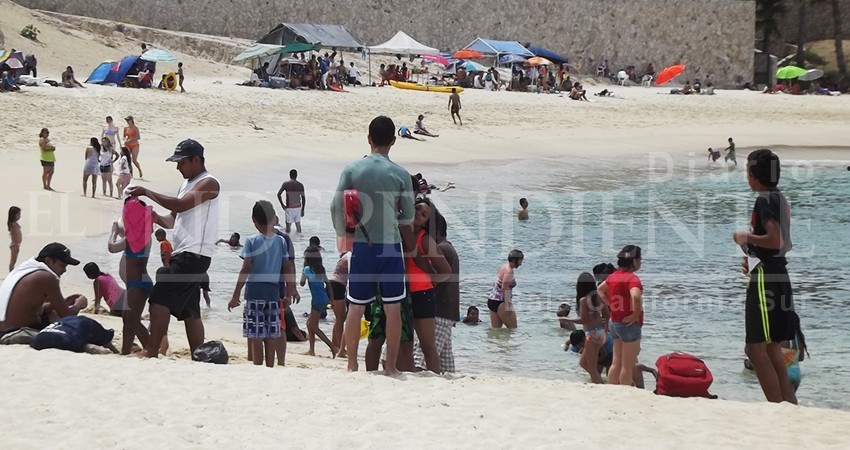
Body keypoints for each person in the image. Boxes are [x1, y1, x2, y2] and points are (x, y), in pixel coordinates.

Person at [330, 115, 415, 375]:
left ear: (368, 139)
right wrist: (391, 216)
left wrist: (345, 234)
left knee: (355, 306)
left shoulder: (352, 170)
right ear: (393, 141)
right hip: (390, 246)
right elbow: (409, 217)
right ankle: (390, 367)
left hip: (362, 245)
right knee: (392, 308)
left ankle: (352, 364)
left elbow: (335, 207)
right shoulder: (401, 174)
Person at [128, 138, 220, 357]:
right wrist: (154, 216)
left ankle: (151, 350)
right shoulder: (186, 185)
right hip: (188, 253)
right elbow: (172, 219)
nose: (178, 167)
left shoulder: (209, 183)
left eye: (181, 162)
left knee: (159, 297)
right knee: (191, 310)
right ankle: (199, 354)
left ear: (196, 159)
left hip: (193, 254)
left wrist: (147, 192)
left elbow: (180, 205)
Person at [732, 148, 804, 404]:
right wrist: (753, 256)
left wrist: (746, 237)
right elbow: (787, 244)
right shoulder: (780, 198)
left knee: (755, 347)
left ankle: (776, 406)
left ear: (752, 175)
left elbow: (776, 240)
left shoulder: (764, 199)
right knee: (773, 345)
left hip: (765, 279)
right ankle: (787, 405)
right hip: (777, 274)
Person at [228, 200, 287, 367]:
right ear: (272, 218)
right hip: (273, 293)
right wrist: (289, 292)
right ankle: (269, 365)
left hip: (254, 292)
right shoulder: (280, 241)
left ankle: (258, 366)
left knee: (256, 334)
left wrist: (235, 295)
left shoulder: (251, 241)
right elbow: (286, 267)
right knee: (270, 334)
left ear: (254, 220)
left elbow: (245, 268)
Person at [406, 198, 451, 374]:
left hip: (422, 294)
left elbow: (446, 271)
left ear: (427, 221)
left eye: (423, 214)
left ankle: (436, 378)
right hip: (405, 293)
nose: (418, 214)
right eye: (417, 209)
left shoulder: (424, 239)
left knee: (428, 345)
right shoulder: (403, 232)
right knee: (407, 342)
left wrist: (433, 281)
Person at [0, 243, 88, 330]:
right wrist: (78, 305)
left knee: (52, 313)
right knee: (81, 324)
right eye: (62, 265)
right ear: (48, 261)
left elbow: (28, 308)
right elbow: (67, 316)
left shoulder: (24, 269)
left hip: (4, 327)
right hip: (16, 331)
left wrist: (60, 304)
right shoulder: (46, 277)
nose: (64, 270)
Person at [415, 211, 460, 372]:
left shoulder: (440, 249)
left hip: (438, 310)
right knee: (445, 365)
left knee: (421, 360)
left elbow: (432, 278)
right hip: (449, 311)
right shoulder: (450, 248)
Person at [598, 245, 644, 387]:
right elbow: (635, 296)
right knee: (627, 365)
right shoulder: (632, 279)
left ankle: (612, 388)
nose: (641, 261)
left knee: (616, 362)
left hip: (615, 322)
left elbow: (599, 290)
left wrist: (611, 304)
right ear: (634, 261)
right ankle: (624, 391)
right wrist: (635, 313)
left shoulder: (613, 276)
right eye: (640, 259)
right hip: (629, 324)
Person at [107, 220, 155, 355]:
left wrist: (114, 232)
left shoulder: (135, 236)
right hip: (135, 283)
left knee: (133, 319)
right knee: (127, 317)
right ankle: (125, 350)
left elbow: (112, 247)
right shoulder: (141, 235)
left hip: (138, 283)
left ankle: (151, 350)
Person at [299, 246, 337, 356]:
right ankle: (311, 350)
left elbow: (302, 283)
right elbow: (328, 284)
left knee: (314, 327)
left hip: (316, 300)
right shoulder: (321, 269)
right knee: (309, 324)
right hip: (324, 298)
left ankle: (333, 347)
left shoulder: (307, 269)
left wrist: (303, 270)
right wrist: (332, 300)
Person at [488, 249, 524, 329]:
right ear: (514, 260)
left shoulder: (503, 267)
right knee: (513, 329)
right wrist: (507, 306)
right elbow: (504, 288)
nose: (520, 264)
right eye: (520, 261)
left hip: (492, 300)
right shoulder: (509, 271)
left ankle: (492, 342)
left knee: (496, 331)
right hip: (501, 302)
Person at [328, 251, 351, 357]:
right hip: (336, 286)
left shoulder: (346, 257)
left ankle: (334, 345)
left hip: (336, 286)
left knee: (339, 318)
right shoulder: (349, 257)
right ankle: (340, 349)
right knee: (340, 319)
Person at [277, 169, 306, 233]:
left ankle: (288, 240)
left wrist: (282, 205)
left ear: (289, 175)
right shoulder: (300, 185)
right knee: (298, 225)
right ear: (296, 175)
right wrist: (303, 210)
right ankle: (300, 241)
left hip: (289, 207)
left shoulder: (286, 184)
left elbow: (278, 194)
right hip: (298, 207)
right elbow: (303, 198)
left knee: (288, 227)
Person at [7, 206, 22, 272]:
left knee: (14, 261)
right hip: (14, 245)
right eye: (18, 214)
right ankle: (11, 273)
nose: (19, 216)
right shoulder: (13, 224)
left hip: (16, 244)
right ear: (14, 215)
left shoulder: (14, 224)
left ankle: (11, 272)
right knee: (13, 261)